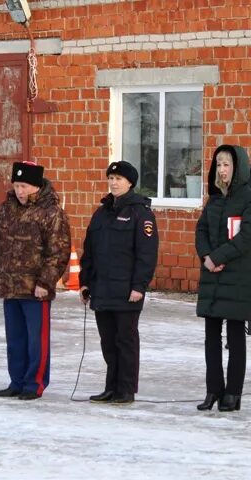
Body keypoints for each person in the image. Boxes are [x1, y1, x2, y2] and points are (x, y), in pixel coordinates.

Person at [0, 161, 71, 400]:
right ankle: (17, 381)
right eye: (17, 185)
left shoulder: (51, 212)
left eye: (24, 186)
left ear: (36, 187)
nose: (20, 191)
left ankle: (35, 383)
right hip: (10, 285)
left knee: (37, 341)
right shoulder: (6, 209)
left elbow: (58, 252)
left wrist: (46, 283)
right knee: (15, 339)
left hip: (35, 289)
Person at [79, 161, 159, 405]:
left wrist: (139, 286)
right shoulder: (102, 212)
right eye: (111, 178)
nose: (113, 182)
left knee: (125, 341)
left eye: (119, 179)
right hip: (102, 289)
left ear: (130, 183)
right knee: (108, 342)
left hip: (126, 291)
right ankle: (111, 387)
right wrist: (85, 282)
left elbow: (147, 254)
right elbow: (89, 251)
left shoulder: (140, 213)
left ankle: (126, 389)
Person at [195, 145, 251, 412]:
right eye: (219, 165)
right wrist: (206, 257)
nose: (222, 170)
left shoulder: (250, 199)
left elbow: (246, 237)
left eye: (227, 165)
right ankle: (214, 389)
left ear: (238, 168)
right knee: (211, 336)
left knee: (235, 337)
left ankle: (232, 393)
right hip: (212, 274)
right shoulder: (214, 199)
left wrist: (219, 257)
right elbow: (200, 231)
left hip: (237, 275)